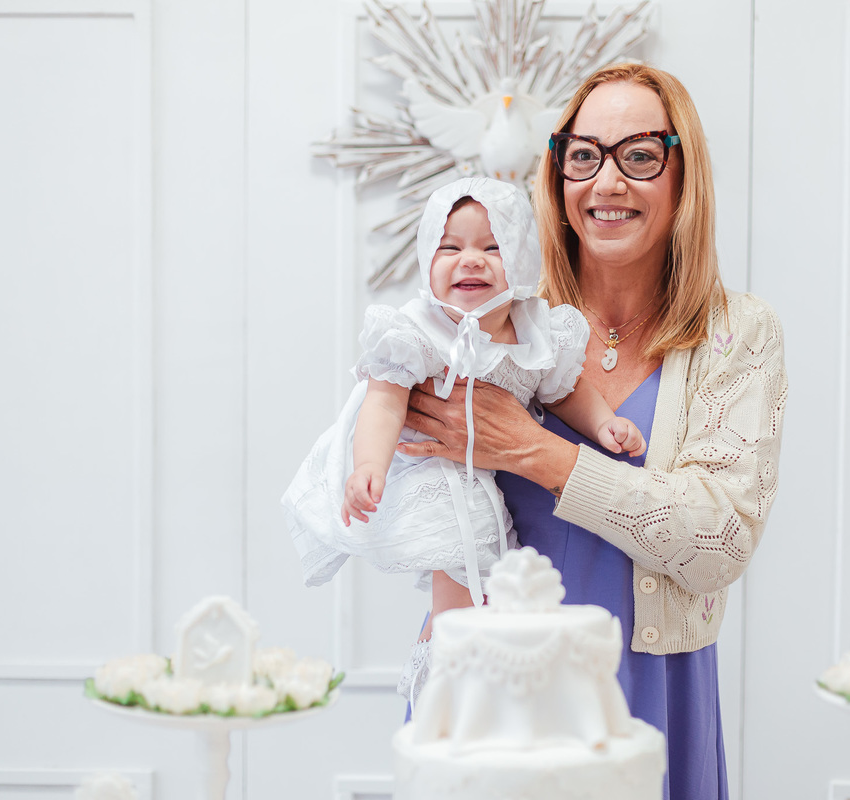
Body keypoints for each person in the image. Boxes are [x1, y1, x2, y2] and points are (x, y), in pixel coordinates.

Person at [395, 64, 788, 800]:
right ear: (557, 175)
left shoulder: (738, 334)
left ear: (683, 173)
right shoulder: (497, 327)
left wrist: (540, 454)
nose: (607, 182)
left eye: (640, 155)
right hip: (490, 690)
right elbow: (414, 453)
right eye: (583, 155)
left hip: (649, 689)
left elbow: (720, 539)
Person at [281, 177, 646, 689]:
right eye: (449, 247)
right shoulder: (416, 332)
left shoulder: (536, 331)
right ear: (427, 259)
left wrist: (605, 422)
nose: (470, 260)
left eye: (492, 248)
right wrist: (369, 466)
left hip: (479, 475)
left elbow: (564, 391)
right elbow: (385, 403)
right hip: (421, 464)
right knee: (463, 547)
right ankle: (454, 666)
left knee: (494, 567)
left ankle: (475, 653)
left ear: (521, 260)